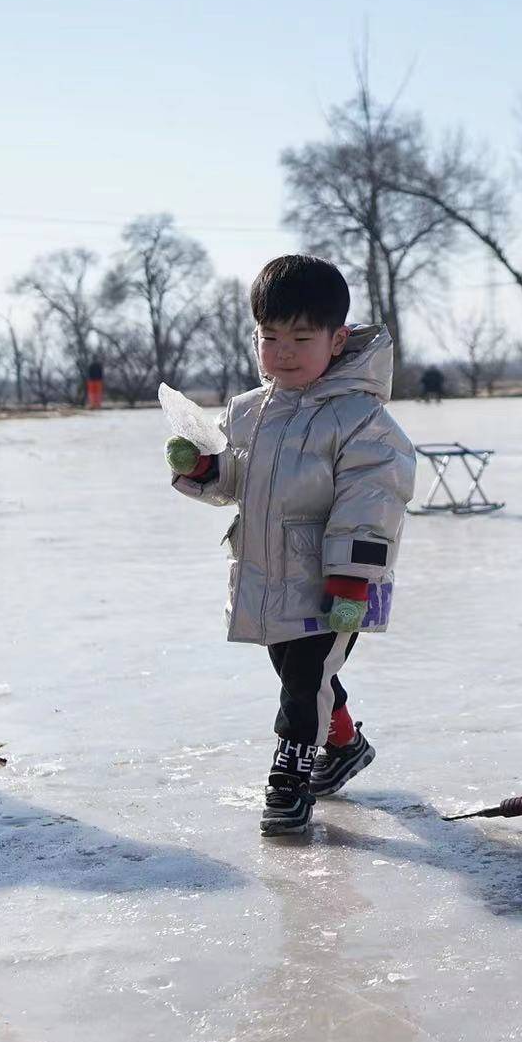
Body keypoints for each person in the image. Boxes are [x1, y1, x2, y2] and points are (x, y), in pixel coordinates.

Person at [167, 255, 415, 835]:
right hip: (263, 572)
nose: (282, 352)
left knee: (303, 685)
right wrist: (205, 466)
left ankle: (291, 776)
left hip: (335, 585)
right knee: (300, 675)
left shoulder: (362, 419)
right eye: (269, 337)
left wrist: (353, 578)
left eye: (301, 338)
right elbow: (236, 484)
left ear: (337, 339)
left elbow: (372, 499)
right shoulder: (251, 412)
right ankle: (346, 743)